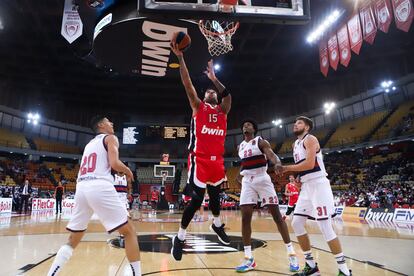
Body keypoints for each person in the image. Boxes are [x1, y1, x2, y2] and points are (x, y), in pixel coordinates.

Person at [47, 116, 141, 276]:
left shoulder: (89, 144)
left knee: (73, 239)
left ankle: (51, 274)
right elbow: (114, 163)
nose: (112, 123)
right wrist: (128, 170)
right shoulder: (111, 138)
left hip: (81, 187)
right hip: (99, 185)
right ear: (101, 125)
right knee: (129, 232)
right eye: (108, 121)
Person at [170, 38, 232, 261]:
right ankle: (180, 237)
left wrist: (215, 79)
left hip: (218, 161)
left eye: (212, 91)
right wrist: (180, 57)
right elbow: (187, 84)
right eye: (207, 91)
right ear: (204, 97)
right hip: (200, 159)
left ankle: (216, 224)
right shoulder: (199, 107)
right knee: (196, 201)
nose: (210, 93)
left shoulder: (223, 111)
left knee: (216, 197)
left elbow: (228, 95)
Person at [282, 116, 351, 276]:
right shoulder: (295, 144)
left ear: (307, 127)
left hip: (319, 185)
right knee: (297, 223)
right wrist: (299, 178)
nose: (295, 125)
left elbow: (310, 164)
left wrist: (286, 168)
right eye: (295, 122)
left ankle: (344, 271)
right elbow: (303, 168)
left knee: (325, 226)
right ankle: (311, 266)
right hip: (306, 187)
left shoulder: (310, 139)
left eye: (299, 123)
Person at [235, 119, 299, 272]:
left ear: (254, 129)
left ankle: (291, 254)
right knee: (245, 218)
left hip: (262, 178)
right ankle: (249, 258)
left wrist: (277, 163)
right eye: (244, 125)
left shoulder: (260, 142)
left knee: (277, 217)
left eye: (249, 124)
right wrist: (238, 176)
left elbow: (272, 155)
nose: (246, 126)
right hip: (248, 181)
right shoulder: (241, 146)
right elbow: (245, 163)